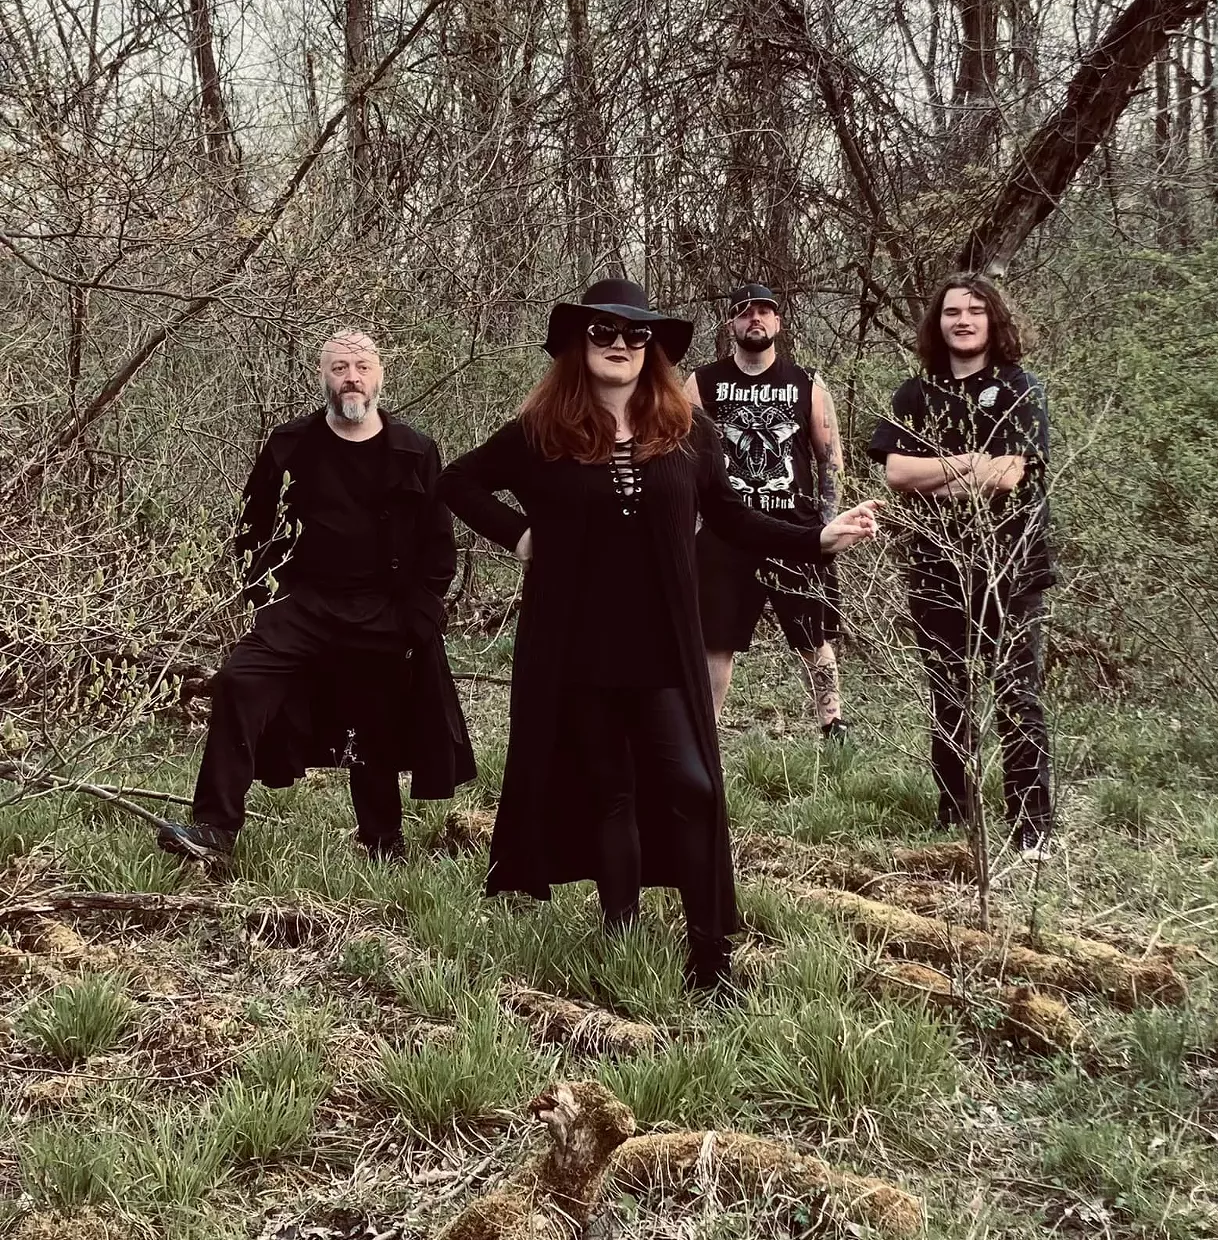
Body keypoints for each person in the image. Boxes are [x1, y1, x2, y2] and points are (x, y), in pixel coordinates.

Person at [439, 280, 880, 991]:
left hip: (665, 646)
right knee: (610, 791)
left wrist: (817, 537)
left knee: (694, 785)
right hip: (574, 647)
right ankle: (620, 928)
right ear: (579, 344)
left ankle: (712, 956)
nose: (620, 344)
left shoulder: (689, 432)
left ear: (653, 349)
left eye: (636, 334)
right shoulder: (541, 432)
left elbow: (733, 519)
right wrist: (519, 536)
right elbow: (458, 481)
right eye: (604, 332)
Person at [157, 330, 475, 863]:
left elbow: (438, 543)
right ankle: (214, 830)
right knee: (238, 682)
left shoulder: (414, 450)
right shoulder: (290, 444)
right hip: (300, 607)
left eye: (362, 367)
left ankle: (383, 843)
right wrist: (265, 597)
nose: (352, 377)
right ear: (322, 376)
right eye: (339, 367)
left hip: (382, 609)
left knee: (373, 718)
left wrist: (416, 617)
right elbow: (252, 528)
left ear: (380, 376)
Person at [867, 274, 1054, 855]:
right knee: (949, 694)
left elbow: (1009, 476)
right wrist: (972, 461)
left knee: (1017, 694)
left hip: (1011, 566)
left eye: (975, 310)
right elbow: (897, 473)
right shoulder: (915, 393)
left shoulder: (1020, 388)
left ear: (993, 321)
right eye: (952, 312)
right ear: (937, 323)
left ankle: (1031, 827)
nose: (964, 320)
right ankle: (955, 815)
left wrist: (940, 473)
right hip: (936, 565)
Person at [686, 283, 849, 737]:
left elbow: (830, 460)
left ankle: (833, 727)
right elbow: (682, 458)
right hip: (725, 534)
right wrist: (692, 524)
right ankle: (705, 734)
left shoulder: (807, 383)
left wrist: (826, 525)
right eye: (743, 312)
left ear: (778, 321)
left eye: (763, 311)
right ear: (731, 324)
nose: (754, 318)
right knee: (715, 641)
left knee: (813, 636)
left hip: (794, 532)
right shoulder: (701, 382)